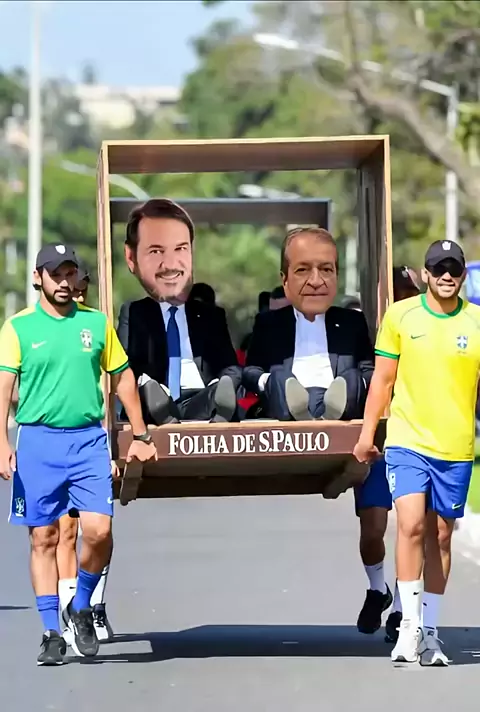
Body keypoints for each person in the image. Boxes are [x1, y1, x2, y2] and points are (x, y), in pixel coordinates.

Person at [0, 244, 157, 666]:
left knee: (98, 531)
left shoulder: (96, 323)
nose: (65, 282)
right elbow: (3, 387)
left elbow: (122, 377)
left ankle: (81, 605)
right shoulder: (18, 328)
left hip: (87, 440)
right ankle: (50, 631)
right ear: (38, 278)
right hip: (38, 442)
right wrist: (1, 442)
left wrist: (140, 433)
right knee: (43, 537)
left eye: (70, 274)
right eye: (56, 274)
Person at [353, 240, 480, 667]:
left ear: (462, 275)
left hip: (455, 446)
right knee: (409, 525)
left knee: (440, 536)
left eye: (453, 269)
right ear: (425, 274)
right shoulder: (401, 316)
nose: (446, 276)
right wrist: (367, 435)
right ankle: (408, 625)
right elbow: (383, 381)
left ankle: (430, 631)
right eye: (438, 268)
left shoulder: (476, 321)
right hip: (407, 441)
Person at [117, 199, 242, 425]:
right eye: (156, 251)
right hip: (157, 397)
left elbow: (230, 366)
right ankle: (164, 413)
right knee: (150, 393)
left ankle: (217, 413)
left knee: (216, 394)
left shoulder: (210, 315)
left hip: (200, 396)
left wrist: (223, 383)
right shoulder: (135, 312)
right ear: (131, 258)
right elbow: (125, 366)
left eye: (180, 249)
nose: (170, 264)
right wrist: (144, 383)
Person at [354, 265, 421, 642]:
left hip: (418, 441)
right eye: (398, 293)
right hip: (381, 440)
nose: (405, 300)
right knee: (373, 528)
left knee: (412, 528)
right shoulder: (373, 333)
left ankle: (400, 608)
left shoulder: (429, 333)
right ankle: (377, 588)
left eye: (409, 293)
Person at [244, 227, 374, 421]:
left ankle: (327, 417)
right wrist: (269, 382)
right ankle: (302, 414)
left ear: (337, 276)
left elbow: (369, 370)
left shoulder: (352, 322)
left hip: (339, 406)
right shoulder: (269, 323)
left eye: (326, 270)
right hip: (286, 406)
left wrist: (358, 384)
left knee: (352, 377)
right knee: (279, 376)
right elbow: (250, 371)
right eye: (302, 270)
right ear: (285, 280)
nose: (315, 281)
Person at [57, 266, 115, 644]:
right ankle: (70, 615)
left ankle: (93, 605)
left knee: (100, 532)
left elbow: (116, 385)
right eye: (72, 290)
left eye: (82, 290)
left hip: (96, 439)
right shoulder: (47, 328)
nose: (77, 296)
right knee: (66, 529)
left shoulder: (96, 328)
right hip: (58, 441)